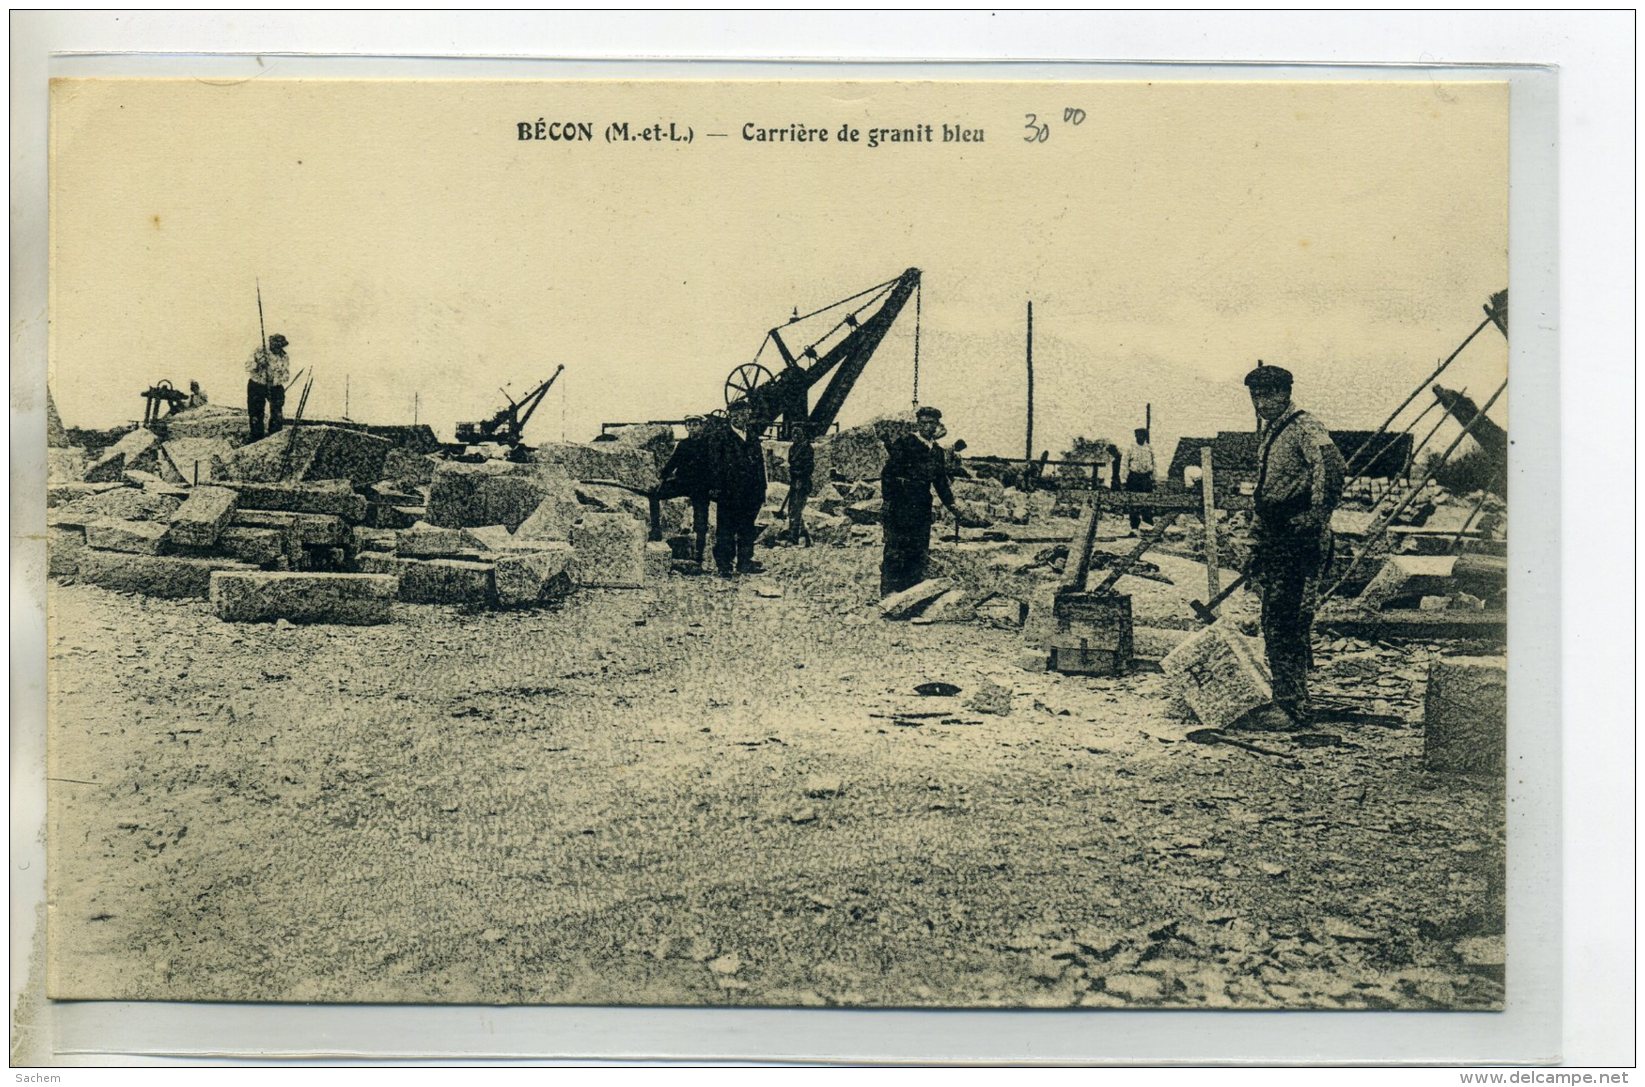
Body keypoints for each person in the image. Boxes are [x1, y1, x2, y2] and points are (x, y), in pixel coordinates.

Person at [1242, 363, 1346, 729]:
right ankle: (1287, 697)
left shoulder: (1304, 425)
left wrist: (1317, 515)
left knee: (1288, 621)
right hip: (1277, 535)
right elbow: (1265, 495)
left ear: (1286, 393)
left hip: (1299, 539)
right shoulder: (1272, 433)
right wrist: (1255, 541)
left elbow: (1331, 468)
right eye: (1256, 396)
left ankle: (1290, 707)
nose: (1262, 403)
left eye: (1269, 394)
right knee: (1275, 620)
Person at [879, 406, 976, 597]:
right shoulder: (905, 443)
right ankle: (889, 590)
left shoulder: (937, 452)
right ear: (918, 424)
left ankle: (912, 591)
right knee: (897, 545)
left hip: (922, 502)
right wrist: (888, 500)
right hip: (902, 501)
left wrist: (952, 505)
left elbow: (940, 481)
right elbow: (888, 473)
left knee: (919, 546)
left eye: (932, 423)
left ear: (938, 425)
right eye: (924, 423)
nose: (928, 427)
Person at [708, 400, 766, 577]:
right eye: (738, 414)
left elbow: (759, 464)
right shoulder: (720, 437)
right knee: (726, 527)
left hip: (751, 491)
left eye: (745, 413)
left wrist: (762, 488)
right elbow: (714, 464)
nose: (741, 417)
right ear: (731, 415)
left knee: (747, 527)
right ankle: (724, 565)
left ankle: (744, 562)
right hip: (729, 491)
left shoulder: (753, 436)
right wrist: (715, 487)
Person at [659, 415, 714, 564]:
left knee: (701, 518)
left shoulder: (708, 444)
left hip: (701, 486)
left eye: (695, 425)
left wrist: (713, 486)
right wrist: (662, 477)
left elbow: (715, 467)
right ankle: (656, 534)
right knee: (655, 496)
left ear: (701, 426)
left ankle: (699, 554)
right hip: (682, 483)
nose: (692, 428)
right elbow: (673, 462)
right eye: (689, 425)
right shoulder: (683, 444)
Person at [245, 333, 291, 441]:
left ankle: (275, 435)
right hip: (257, 385)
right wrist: (259, 365)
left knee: (277, 412)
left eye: (280, 346)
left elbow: (286, 375)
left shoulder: (284, 357)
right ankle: (256, 436)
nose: (277, 348)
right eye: (275, 345)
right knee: (256, 412)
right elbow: (247, 366)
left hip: (275, 387)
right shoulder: (260, 351)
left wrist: (275, 381)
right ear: (271, 344)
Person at [786, 423, 815, 547]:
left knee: (796, 510)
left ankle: (794, 537)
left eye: (797, 433)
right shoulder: (792, 448)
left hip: (802, 482)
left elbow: (809, 467)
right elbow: (791, 464)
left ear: (803, 434)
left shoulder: (807, 449)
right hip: (794, 481)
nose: (795, 436)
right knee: (792, 509)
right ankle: (806, 537)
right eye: (793, 433)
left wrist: (799, 476)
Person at [1122, 427, 1156, 534]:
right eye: (1137, 435)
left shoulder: (1149, 448)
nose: (1139, 437)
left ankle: (1148, 527)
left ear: (1145, 436)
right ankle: (1134, 528)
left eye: (1142, 435)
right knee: (1134, 503)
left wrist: (1154, 479)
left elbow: (1154, 465)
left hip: (1146, 478)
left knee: (1147, 502)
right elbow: (1124, 464)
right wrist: (1124, 480)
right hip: (1134, 478)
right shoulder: (1130, 448)